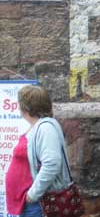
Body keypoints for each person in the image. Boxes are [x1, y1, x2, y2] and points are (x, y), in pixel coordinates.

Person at [5, 85, 72, 217]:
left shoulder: (45, 128)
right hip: (32, 202)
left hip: (39, 202)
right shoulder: (38, 126)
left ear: (26, 107)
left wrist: (32, 194)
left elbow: (52, 164)